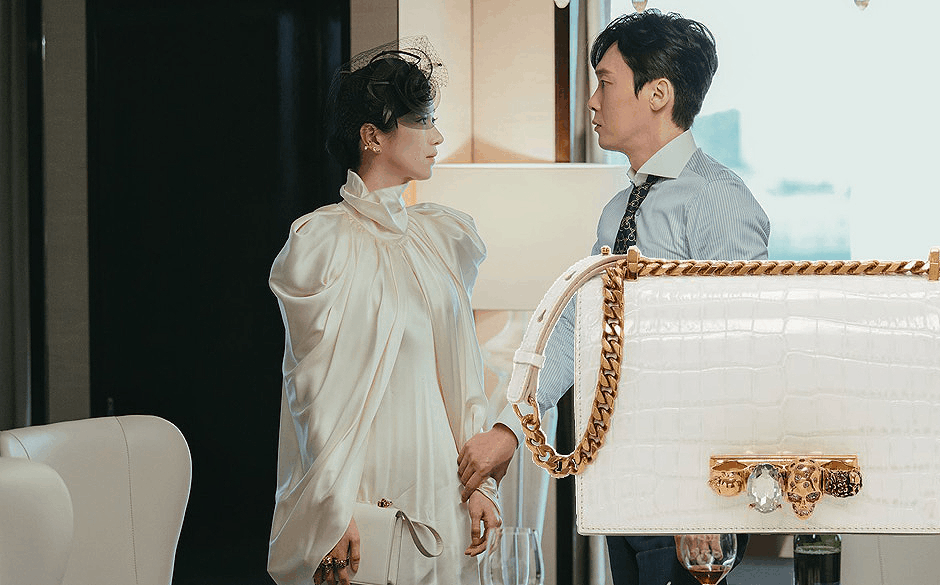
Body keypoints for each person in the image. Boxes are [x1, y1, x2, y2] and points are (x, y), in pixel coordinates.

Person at [459, 10, 769, 585]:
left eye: (605, 82)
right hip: (623, 480)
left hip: (687, 494)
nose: (593, 101)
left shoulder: (719, 201)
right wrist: (509, 430)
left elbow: (736, 357)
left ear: (658, 94)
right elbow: (579, 329)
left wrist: (705, 499)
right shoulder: (615, 212)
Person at [267, 38, 519, 585]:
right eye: (422, 121)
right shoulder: (322, 243)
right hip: (364, 490)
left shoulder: (439, 237)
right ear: (373, 136)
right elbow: (312, 394)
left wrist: (480, 485)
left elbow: (461, 374)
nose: (437, 136)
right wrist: (332, 510)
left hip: (442, 485)